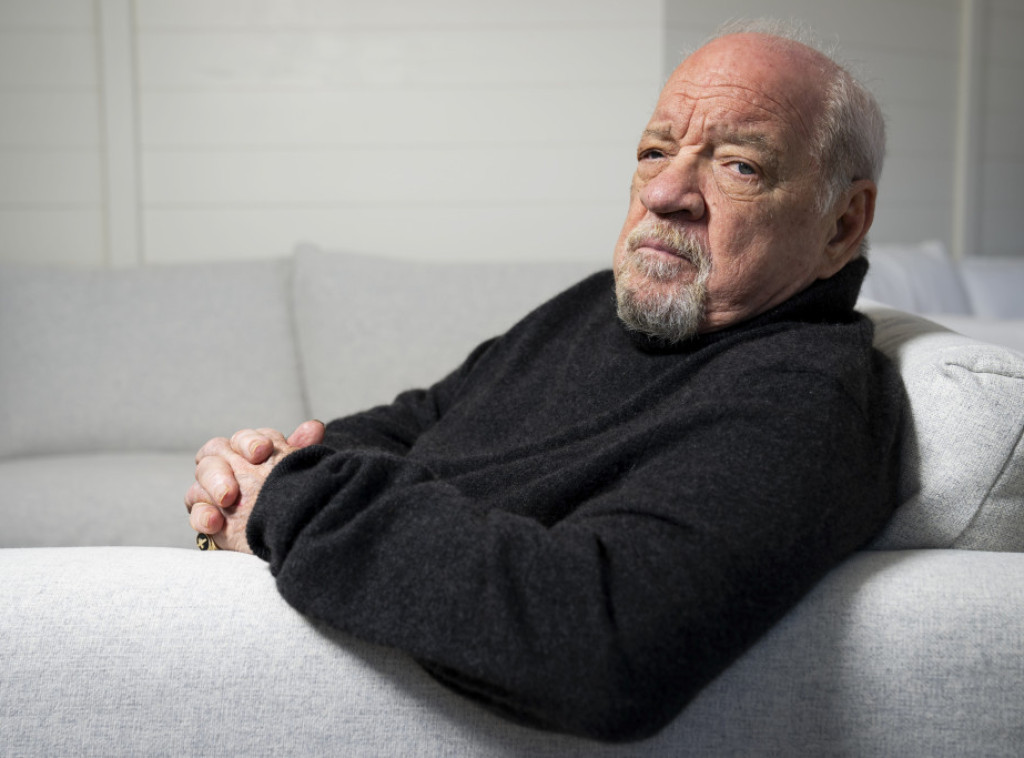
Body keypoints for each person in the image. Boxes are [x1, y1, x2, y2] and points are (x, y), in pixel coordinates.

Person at [185, 22, 903, 742]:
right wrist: (262, 469)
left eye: (739, 166)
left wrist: (289, 500)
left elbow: (597, 646)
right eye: (655, 151)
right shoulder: (606, 305)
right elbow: (423, 417)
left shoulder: (803, 398)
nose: (664, 192)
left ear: (842, 224)